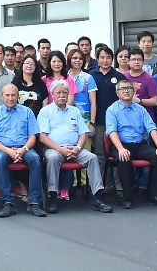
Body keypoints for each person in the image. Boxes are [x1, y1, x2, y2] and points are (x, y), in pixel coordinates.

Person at [37, 81, 113, 213]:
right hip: (54, 149)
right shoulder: (45, 111)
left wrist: (77, 148)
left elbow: (83, 133)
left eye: (65, 92)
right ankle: (53, 197)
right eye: (58, 92)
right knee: (53, 158)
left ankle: (97, 197)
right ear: (52, 94)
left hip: (74, 149)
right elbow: (42, 137)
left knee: (92, 158)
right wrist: (60, 149)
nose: (62, 95)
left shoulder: (75, 111)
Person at [104, 79, 157, 208]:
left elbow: (152, 128)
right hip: (120, 144)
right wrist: (121, 149)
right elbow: (111, 131)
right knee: (124, 158)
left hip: (139, 144)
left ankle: (156, 195)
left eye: (129, 88)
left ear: (134, 91)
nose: (126, 91)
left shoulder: (140, 109)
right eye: (122, 89)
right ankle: (128, 197)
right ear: (117, 93)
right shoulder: (112, 110)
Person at [0, 84, 46, 218]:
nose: (11, 98)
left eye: (13, 95)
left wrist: (22, 150)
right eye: (7, 95)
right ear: (2, 97)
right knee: (0, 160)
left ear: (18, 97)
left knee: (35, 159)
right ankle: (8, 203)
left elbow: (32, 137)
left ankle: (34, 202)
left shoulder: (27, 112)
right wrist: (8, 151)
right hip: (3, 149)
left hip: (24, 147)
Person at [89, 44, 121, 177]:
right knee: (100, 154)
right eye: (102, 57)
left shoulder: (119, 76)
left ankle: (115, 185)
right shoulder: (91, 76)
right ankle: (99, 184)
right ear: (97, 59)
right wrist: (92, 123)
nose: (105, 60)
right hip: (99, 121)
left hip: (117, 122)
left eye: (108, 57)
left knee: (116, 152)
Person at [124, 47, 157, 119]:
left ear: (143, 62)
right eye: (133, 59)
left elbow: (156, 101)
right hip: (127, 118)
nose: (136, 62)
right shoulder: (123, 77)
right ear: (128, 61)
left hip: (146, 118)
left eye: (139, 59)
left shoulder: (149, 79)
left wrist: (139, 101)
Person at [67, 51, 98, 126]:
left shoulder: (88, 77)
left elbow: (93, 103)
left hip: (85, 120)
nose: (78, 60)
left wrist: (92, 123)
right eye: (75, 58)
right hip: (66, 119)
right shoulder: (64, 77)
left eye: (80, 58)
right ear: (69, 59)